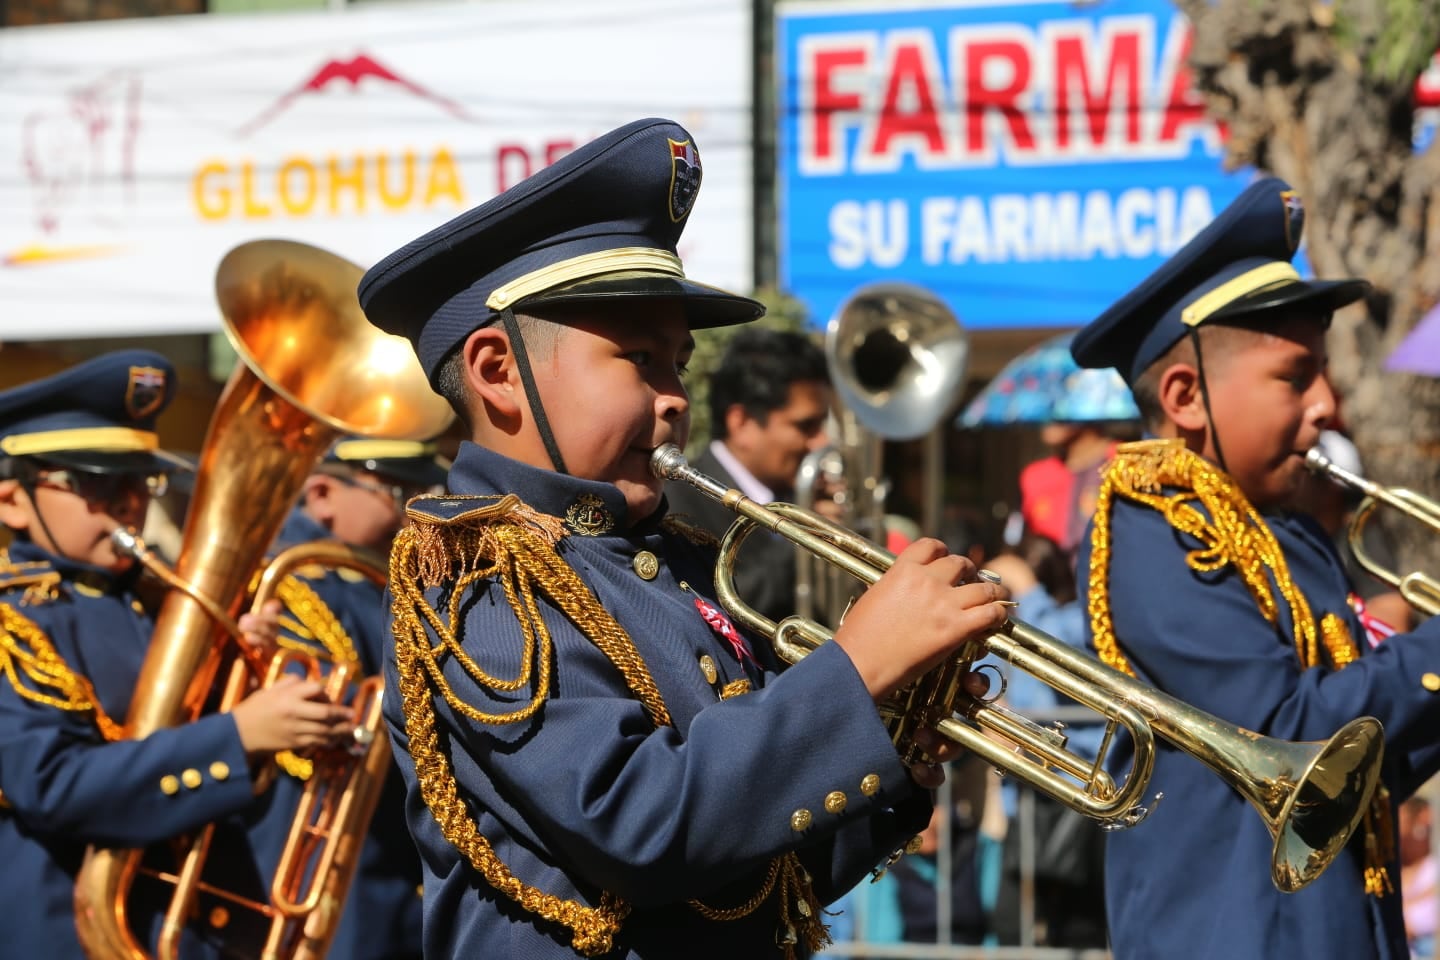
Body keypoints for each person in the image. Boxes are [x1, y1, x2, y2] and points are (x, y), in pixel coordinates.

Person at [356, 116, 1012, 959]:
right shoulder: (476, 574)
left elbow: (757, 878)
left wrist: (894, 740)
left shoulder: (677, 560)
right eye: (638, 360)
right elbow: (638, 825)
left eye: (681, 365)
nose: (673, 398)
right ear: (497, 371)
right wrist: (857, 671)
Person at [1070, 176, 1440, 959]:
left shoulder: (1284, 530)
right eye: (1295, 377)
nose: (1326, 407)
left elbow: (1360, 764)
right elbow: (1288, 729)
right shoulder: (1155, 520)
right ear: (1186, 395)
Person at [0, 350, 357, 959]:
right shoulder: (15, 628)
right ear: (12, 501)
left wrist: (242, 674)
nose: (130, 501)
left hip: (198, 932)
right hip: (69, 934)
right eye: (97, 482)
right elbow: (55, 787)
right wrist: (238, 733)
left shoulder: (153, 603)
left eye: (142, 480)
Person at [246, 437, 450, 960]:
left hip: (392, 874)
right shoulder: (283, 584)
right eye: (398, 491)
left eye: (424, 490)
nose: (417, 510)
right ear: (322, 494)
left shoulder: (383, 577)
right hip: (322, 873)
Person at [663, 327, 831, 623]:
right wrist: (806, 540)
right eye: (806, 426)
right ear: (741, 423)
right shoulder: (676, 504)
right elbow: (716, 609)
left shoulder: (796, 494)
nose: (822, 443)